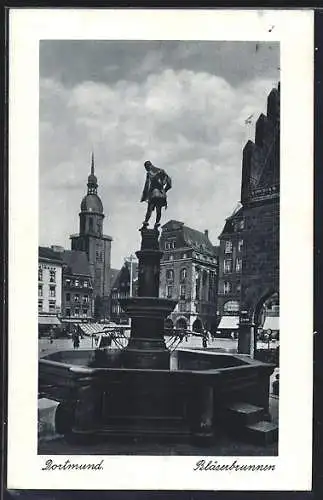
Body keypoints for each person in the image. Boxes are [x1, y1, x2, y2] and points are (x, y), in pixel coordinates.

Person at [140, 160, 172, 229]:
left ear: (148, 166)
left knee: (149, 209)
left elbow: (147, 185)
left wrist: (144, 196)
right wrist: (165, 190)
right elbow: (169, 181)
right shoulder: (161, 171)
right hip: (161, 195)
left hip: (154, 194)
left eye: (146, 168)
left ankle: (145, 224)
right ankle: (156, 225)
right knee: (158, 210)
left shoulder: (149, 173)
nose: (146, 169)